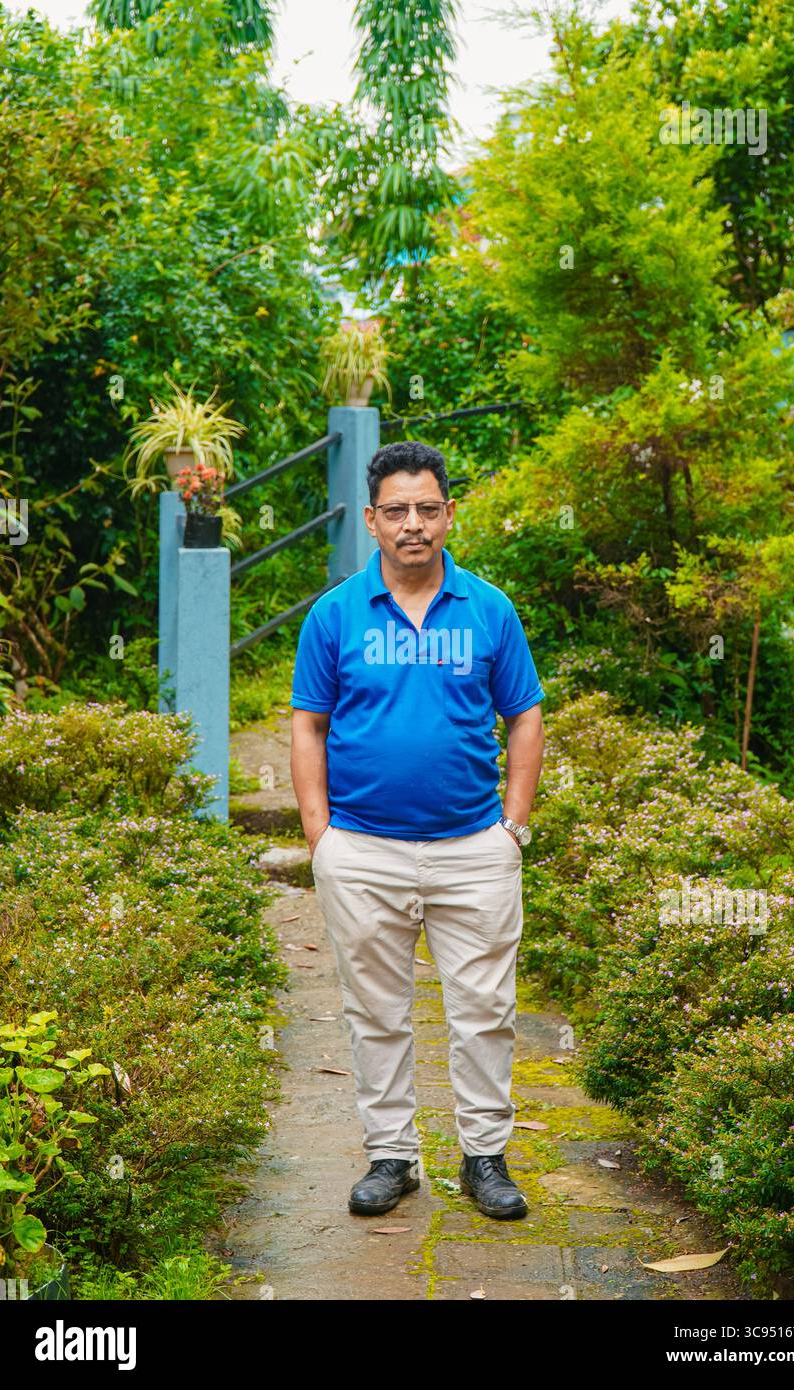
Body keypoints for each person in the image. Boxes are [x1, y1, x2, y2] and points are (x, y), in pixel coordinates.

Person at [289, 440, 545, 1221]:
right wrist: (320, 839)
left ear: (449, 515)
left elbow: (524, 715)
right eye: (396, 511)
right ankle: (392, 1157)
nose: (413, 525)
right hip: (362, 849)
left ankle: (484, 1158)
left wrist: (514, 827)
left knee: (484, 1010)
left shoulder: (489, 609)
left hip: (474, 848)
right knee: (376, 1011)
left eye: (427, 509)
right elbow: (308, 727)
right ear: (371, 521)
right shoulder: (334, 615)